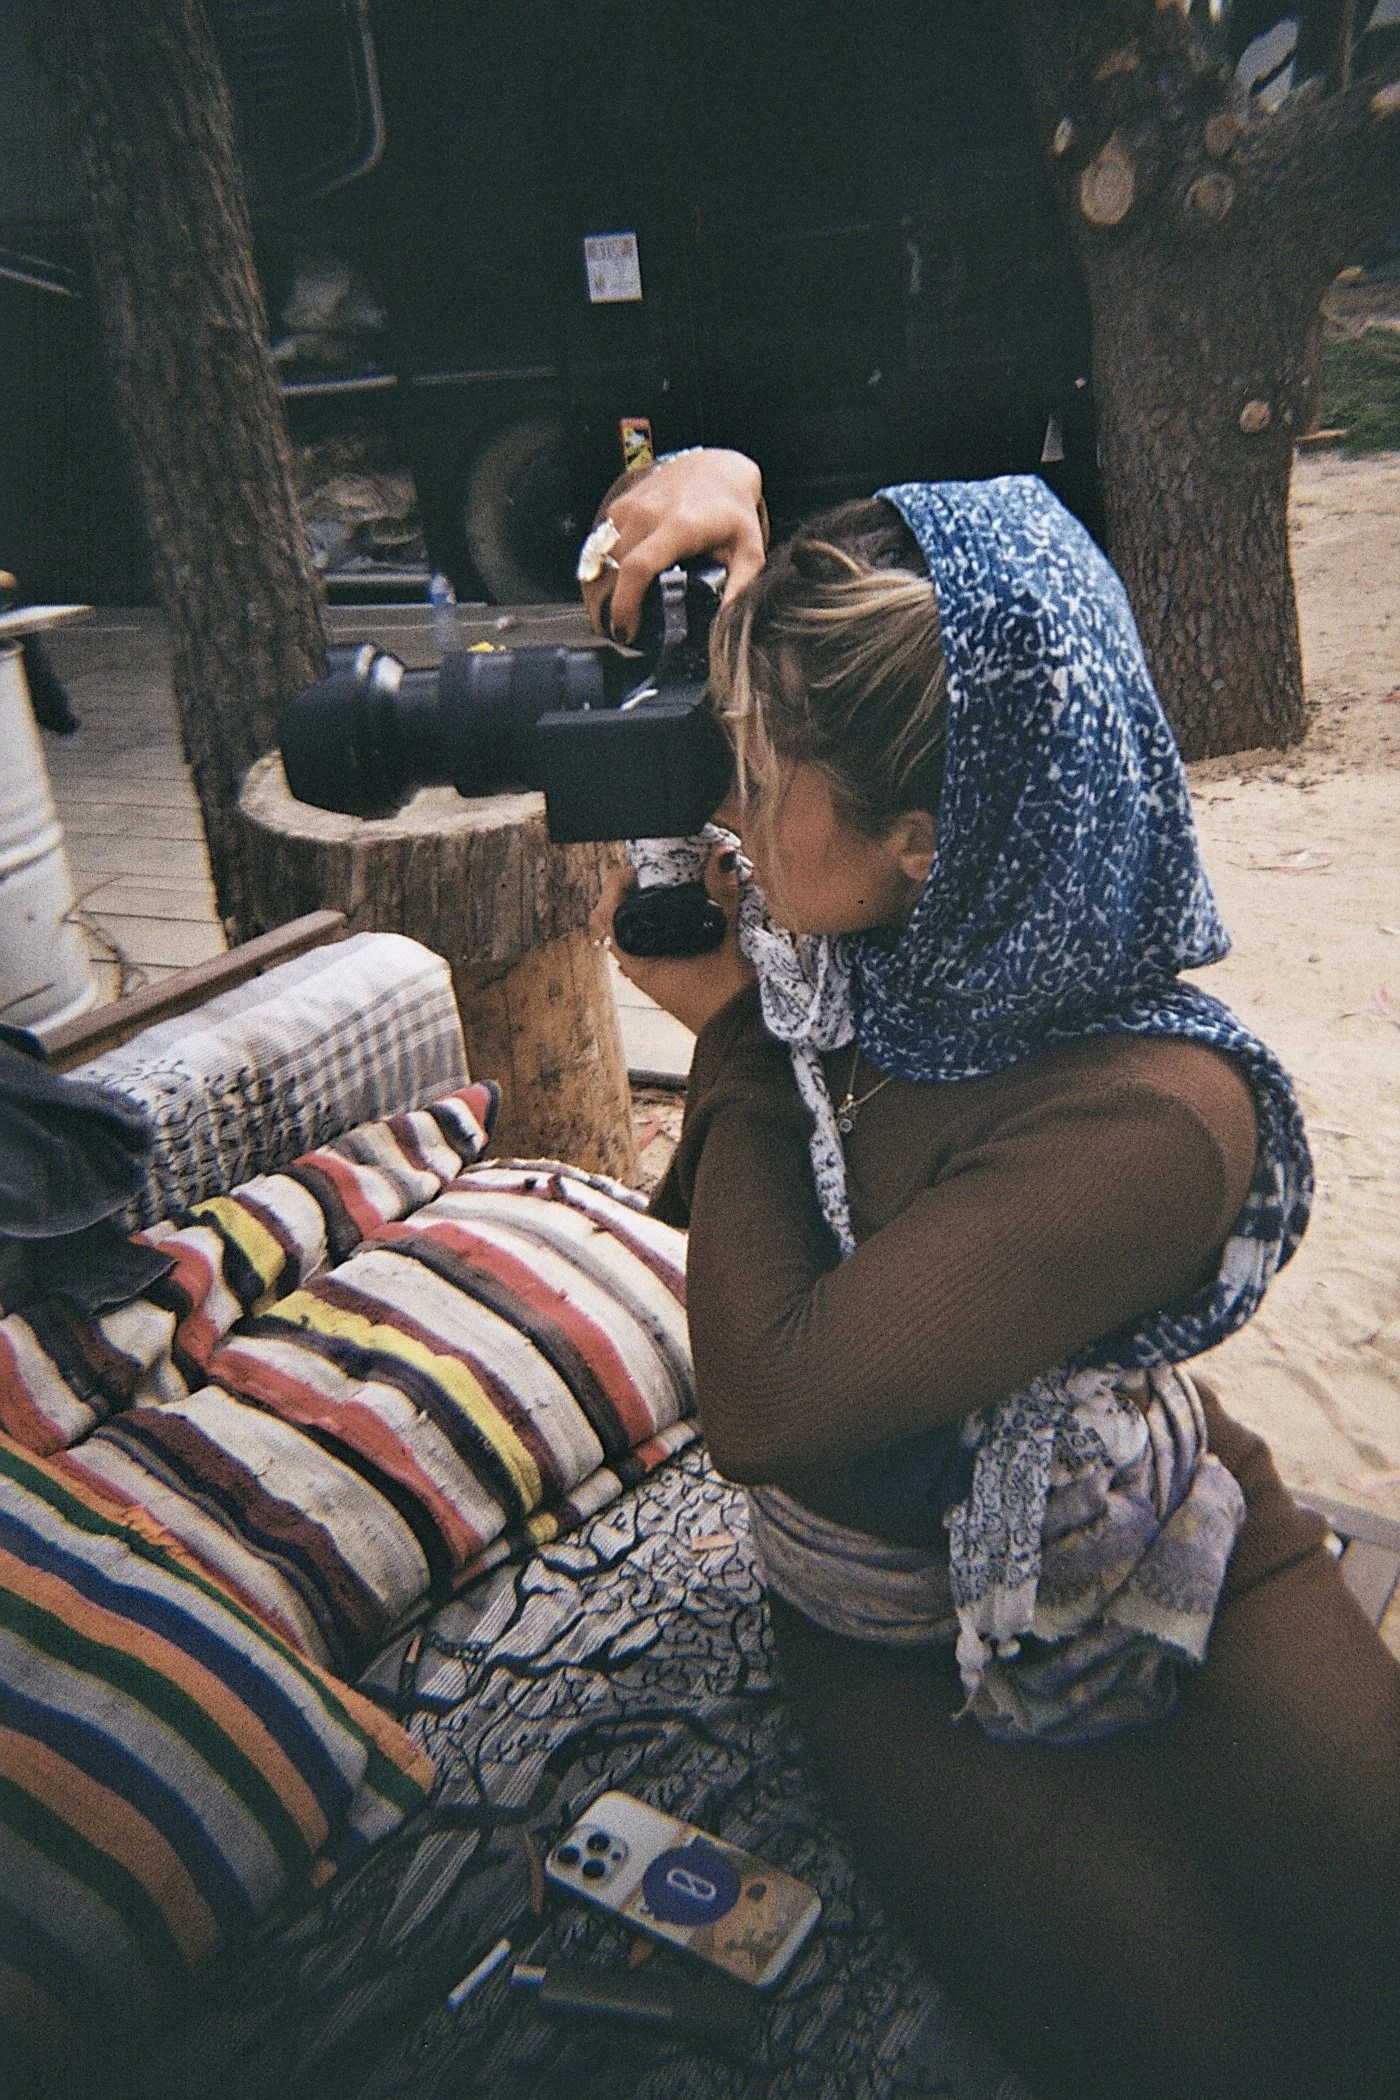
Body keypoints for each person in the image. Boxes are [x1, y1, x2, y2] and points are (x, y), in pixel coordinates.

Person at [585, 449, 1400, 2100]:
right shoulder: (891, 918)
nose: (723, 795)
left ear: (921, 844)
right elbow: (828, 629)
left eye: (756, 765)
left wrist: (736, 1035)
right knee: (1199, 2057)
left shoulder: (1155, 1119)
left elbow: (768, 1397)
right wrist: (730, 491)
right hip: (890, 1625)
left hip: (1164, 1527)